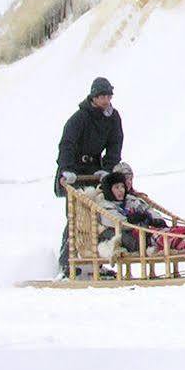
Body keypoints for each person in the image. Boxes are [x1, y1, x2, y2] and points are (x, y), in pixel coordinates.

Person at [54, 77, 124, 276]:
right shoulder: (80, 118)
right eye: (102, 96)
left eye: (108, 96)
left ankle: (97, 263)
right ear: (94, 97)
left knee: (99, 216)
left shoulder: (113, 117)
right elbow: (67, 144)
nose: (105, 100)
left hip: (95, 170)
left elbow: (115, 144)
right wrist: (67, 170)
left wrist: (108, 168)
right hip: (74, 170)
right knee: (76, 216)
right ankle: (67, 263)